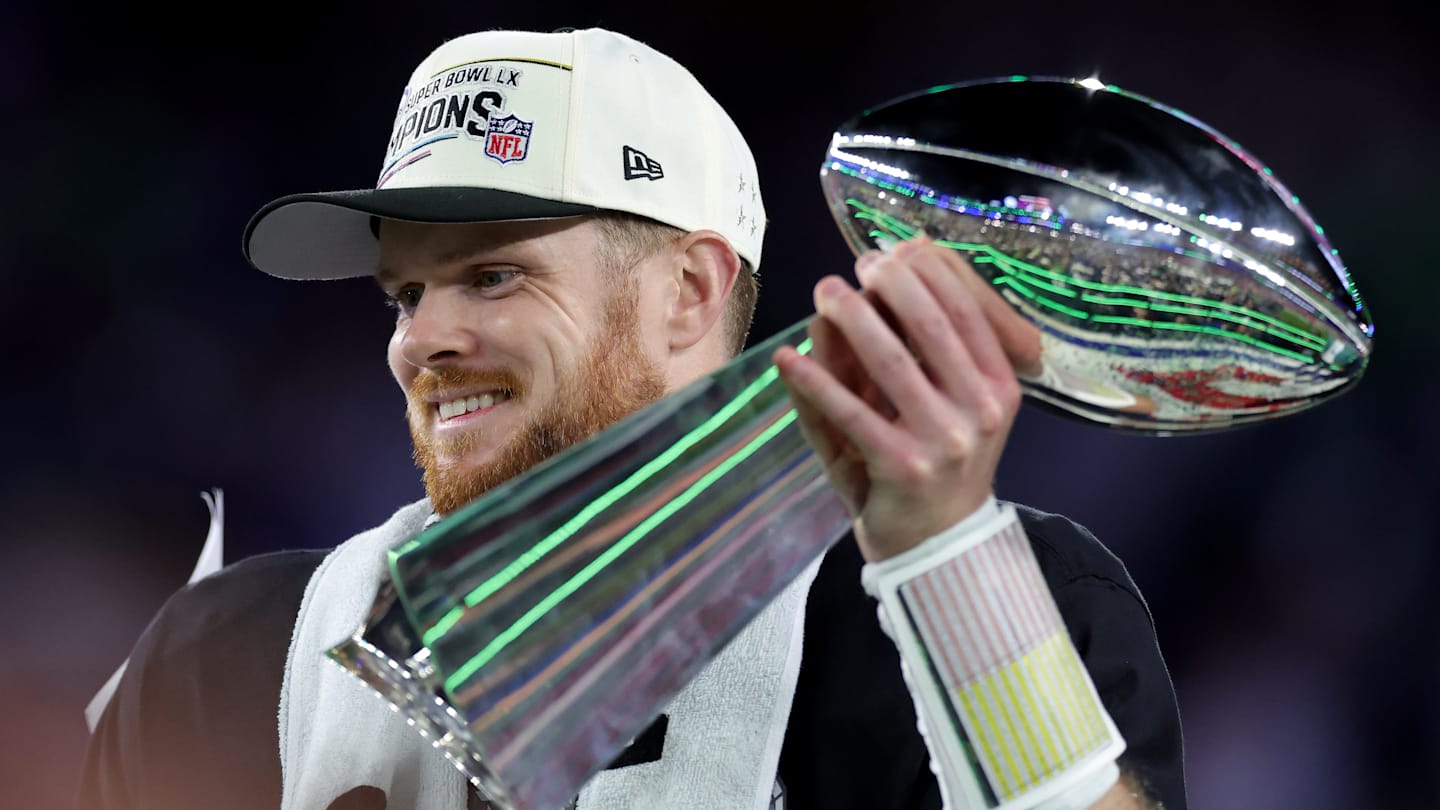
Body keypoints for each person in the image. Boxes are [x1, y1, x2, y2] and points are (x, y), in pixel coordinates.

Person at [75, 26, 1186, 810]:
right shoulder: (228, 656)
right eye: (407, 293)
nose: (419, 340)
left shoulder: (982, 609)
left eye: (494, 277)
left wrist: (947, 559)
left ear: (689, 293)